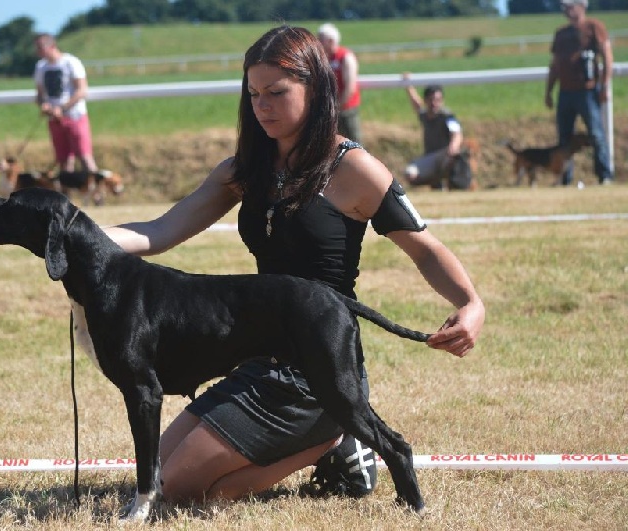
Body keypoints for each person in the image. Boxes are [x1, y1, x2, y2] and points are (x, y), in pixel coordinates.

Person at [104, 26, 485, 505]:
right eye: (254, 94)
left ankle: (332, 435)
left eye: (277, 93)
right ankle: (330, 439)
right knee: (152, 475)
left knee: (179, 492)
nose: (262, 106)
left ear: (316, 88)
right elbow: (159, 231)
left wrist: (470, 303)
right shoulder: (243, 170)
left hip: (319, 369)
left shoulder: (354, 168)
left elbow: (426, 249)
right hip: (260, 360)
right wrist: (82, 239)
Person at [545, 0, 613, 185]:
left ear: (582, 7)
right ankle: (565, 177)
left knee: (596, 134)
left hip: (587, 91)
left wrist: (604, 85)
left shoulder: (594, 28)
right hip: (565, 92)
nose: (567, 11)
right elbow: (555, 64)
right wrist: (549, 90)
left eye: (570, 6)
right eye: (565, 8)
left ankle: (604, 174)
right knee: (564, 138)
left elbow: (607, 56)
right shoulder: (561, 34)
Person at [33, 33, 100, 182]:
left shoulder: (71, 62)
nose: (38, 52)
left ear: (51, 46)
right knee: (63, 160)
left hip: (75, 116)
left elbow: (81, 90)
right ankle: (66, 197)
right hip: (54, 119)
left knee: (84, 156)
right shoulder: (41, 67)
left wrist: (62, 108)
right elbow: (39, 94)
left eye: (40, 48)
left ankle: (97, 194)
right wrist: (44, 105)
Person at [401, 74, 467, 190]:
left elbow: (457, 133)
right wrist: (408, 85)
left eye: (438, 100)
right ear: (426, 100)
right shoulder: (425, 115)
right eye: (431, 100)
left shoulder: (447, 116)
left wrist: (453, 146)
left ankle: (450, 184)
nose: (434, 103)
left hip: (445, 154)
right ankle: (435, 183)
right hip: (430, 157)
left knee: (453, 160)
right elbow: (416, 104)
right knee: (410, 174)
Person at [317, 23, 362, 143]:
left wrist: (338, 108)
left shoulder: (345, 57)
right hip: (330, 111)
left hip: (346, 110)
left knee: (353, 142)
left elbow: (350, 88)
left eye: (321, 39)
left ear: (331, 40)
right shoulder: (324, 59)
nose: (318, 42)